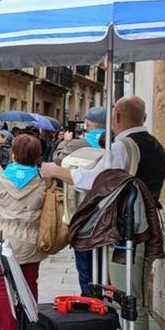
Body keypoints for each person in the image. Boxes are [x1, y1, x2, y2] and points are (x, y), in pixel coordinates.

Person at [41, 95, 165, 330]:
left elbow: (96, 181)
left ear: (117, 118)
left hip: (128, 231)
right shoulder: (157, 145)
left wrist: (56, 171)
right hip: (145, 224)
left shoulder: (123, 147)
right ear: (143, 118)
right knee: (137, 294)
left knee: (129, 298)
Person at [0, 135, 47, 330]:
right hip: (30, 237)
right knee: (30, 284)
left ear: (13, 154)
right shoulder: (42, 179)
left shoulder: (2, 178)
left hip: (3, 238)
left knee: (3, 287)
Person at [50, 106, 107, 297]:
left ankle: (89, 299)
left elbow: (57, 161)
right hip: (106, 214)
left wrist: (64, 142)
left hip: (79, 213)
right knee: (103, 266)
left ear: (88, 123)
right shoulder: (114, 143)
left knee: (85, 266)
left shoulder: (77, 145)